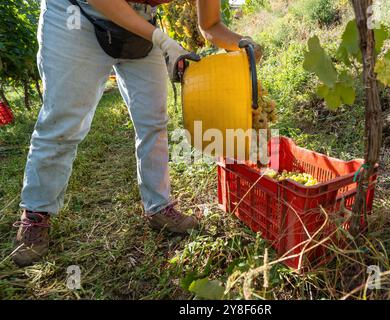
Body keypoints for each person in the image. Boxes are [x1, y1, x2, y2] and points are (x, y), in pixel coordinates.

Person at [11, 0, 262, 267]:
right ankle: (36, 214)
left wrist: (243, 43)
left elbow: (210, 25)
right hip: (77, 16)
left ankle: (159, 207)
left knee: (154, 119)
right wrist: (162, 40)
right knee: (63, 122)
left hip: (140, 23)